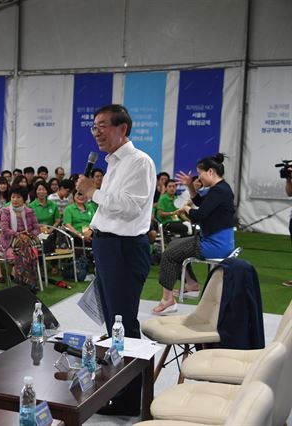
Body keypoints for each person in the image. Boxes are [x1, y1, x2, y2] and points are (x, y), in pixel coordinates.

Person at [76, 104, 155, 417]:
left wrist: (93, 191)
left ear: (123, 128)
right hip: (108, 247)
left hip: (124, 250)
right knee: (112, 324)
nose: (97, 132)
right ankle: (118, 388)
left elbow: (130, 208)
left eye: (103, 125)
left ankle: (130, 397)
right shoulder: (114, 163)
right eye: (94, 126)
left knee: (123, 324)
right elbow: (111, 209)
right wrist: (94, 225)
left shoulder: (139, 162)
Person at [153, 154, 236, 314]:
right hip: (215, 241)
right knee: (175, 245)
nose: (200, 178)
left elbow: (199, 215)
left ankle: (168, 300)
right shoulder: (220, 189)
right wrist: (190, 186)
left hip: (214, 245)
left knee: (169, 255)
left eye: (201, 174)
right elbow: (200, 202)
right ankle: (191, 285)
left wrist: (186, 209)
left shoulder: (219, 191)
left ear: (210, 172)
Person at [0, 187, 41, 290]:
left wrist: (28, 235)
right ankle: (29, 282)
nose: (15, 200)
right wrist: (18, 234)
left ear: (24, 199)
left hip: (27, 240)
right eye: (13, 197)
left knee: (25, 249)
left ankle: (22, 281)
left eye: (18, 197)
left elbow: (37, 229)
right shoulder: (5, 211)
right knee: (27, 252)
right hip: (10, 243)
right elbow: (4, 229)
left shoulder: (29, 211)